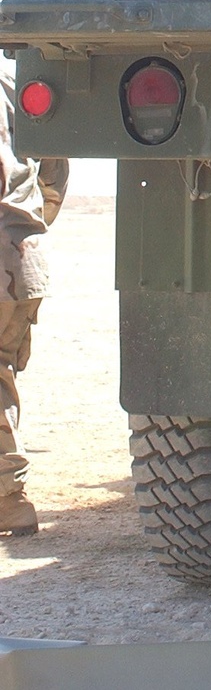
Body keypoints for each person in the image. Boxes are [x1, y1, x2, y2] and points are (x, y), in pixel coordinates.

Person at [1, 65, 68, 536]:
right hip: (22, 259)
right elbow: (56, 161)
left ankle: (9, 500)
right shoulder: (14, 80)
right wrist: (29, 225)